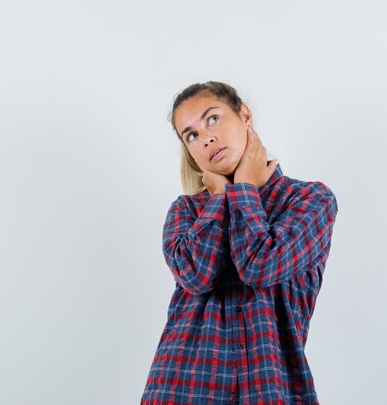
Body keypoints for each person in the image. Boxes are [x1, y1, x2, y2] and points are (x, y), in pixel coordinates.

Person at [140, 81, 339, 405]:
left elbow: (260, 265)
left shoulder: (309, 199)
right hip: (180, 388)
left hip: (269, 388)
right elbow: (196, 275)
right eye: (191, 135)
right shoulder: (186, 210)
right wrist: (219, 198)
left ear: (244, 115)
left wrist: (243, 186)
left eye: (213, 119)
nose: (206, 137)